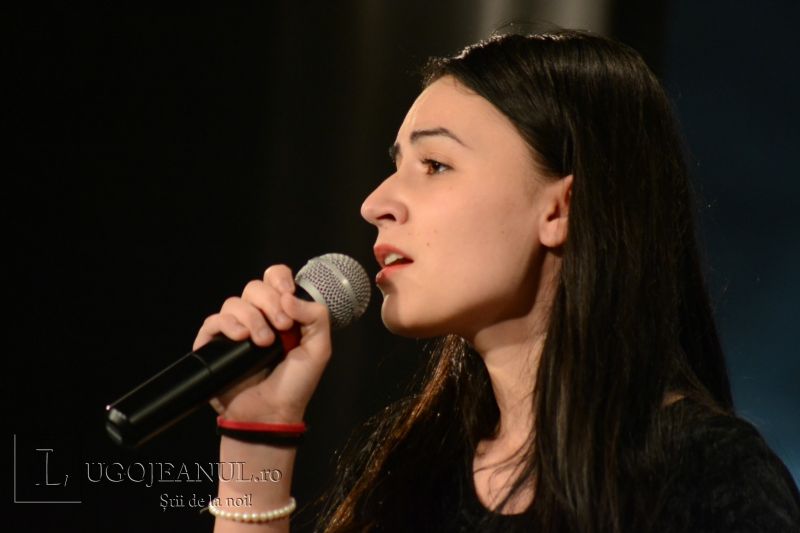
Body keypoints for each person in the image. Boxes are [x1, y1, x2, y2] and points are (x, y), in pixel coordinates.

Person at [194, 30, 800, 532]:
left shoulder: (707, 479)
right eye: (396, 165)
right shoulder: (409, 478)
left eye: (435, 165)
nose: (375, 203)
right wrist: (257, 437)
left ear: (561, 209)